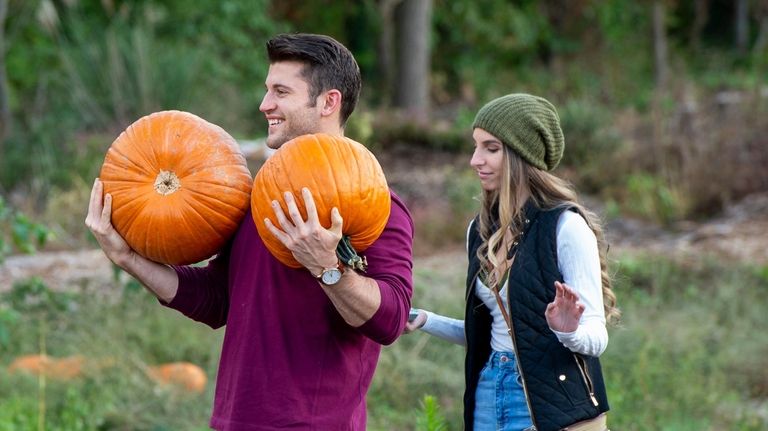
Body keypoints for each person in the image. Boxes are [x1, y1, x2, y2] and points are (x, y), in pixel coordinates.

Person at [85, 33, 414, 430]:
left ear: (329, 102)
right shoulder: (260, 195)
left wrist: (328, 266)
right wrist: (127, 258)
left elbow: (390, 319)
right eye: (266, 90)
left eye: (280, 91)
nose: (265, 105)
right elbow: (218, 300)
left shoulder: (376, 203)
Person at [406, 93, 620, 431]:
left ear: (522, 155)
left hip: (547, 403)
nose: (475, 160)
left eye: (491, 149)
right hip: (489, 391)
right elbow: (496, 334)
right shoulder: (479, 232)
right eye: (475, 147)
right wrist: (425, 320)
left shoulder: (566, 227)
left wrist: (567, 331)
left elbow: (597, 337)